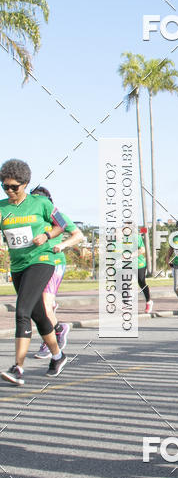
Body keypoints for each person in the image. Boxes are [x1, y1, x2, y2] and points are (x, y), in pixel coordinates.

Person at [0, 159, 71, 385]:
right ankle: (58, 357)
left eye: (14, 187)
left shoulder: (41, 204)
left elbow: (64, 225)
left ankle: (18, 368)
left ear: (25, 183)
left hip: (42, 261)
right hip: (19, 266)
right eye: (5, 186)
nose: (9, 191)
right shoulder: (2, 208)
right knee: (39, 315)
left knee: (22, 312)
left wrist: (48, 236)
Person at [29, 186, 84, 358]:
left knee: (45, 305)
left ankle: (54, 337)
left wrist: (62, 245)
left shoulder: (57, 214)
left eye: (39, 199)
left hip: (55, 262)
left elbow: (78, 235)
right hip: (35, 264)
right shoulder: (32, 217)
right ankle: (58, 328)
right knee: (36, 306)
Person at [138, 229, 152, 313]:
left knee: (141, 282)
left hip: (139, 264)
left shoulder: (136, 236)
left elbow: (142, 250)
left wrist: (131, 255)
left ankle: (149, 302)